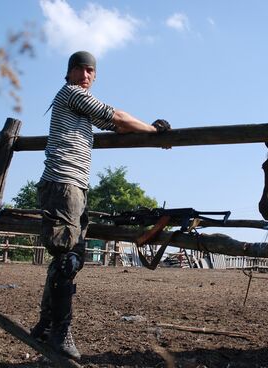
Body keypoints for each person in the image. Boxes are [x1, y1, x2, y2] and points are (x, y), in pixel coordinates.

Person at [30, 51, 171, 359]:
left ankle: (47, 322)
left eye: (90, 70)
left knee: (67, 256)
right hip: (64, 184)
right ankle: (60, 333)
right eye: (79, 69)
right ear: (68, 73)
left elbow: (116, 125)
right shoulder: (72, 94)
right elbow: (117, 116)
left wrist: (145, 126)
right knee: (69, 257)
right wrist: (155, 132)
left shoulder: (78, 104)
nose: (85, 74)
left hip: (71, 186)